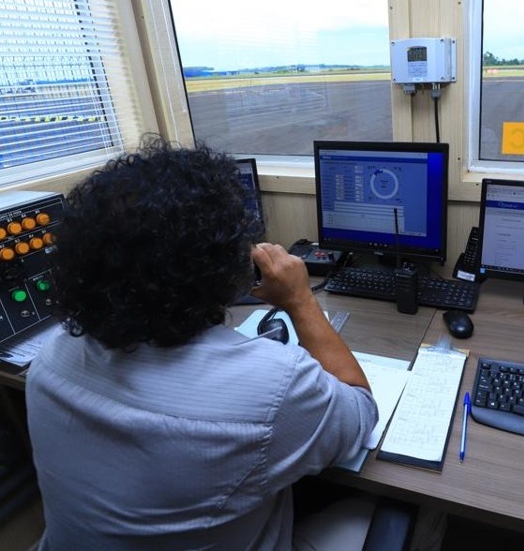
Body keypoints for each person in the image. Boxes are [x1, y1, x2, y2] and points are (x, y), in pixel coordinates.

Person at [25, 138, 379, 550]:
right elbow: (360, 412)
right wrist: (300, 299)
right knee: (403, 508)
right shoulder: (271, 385)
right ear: (224, 265)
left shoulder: (50, 357)